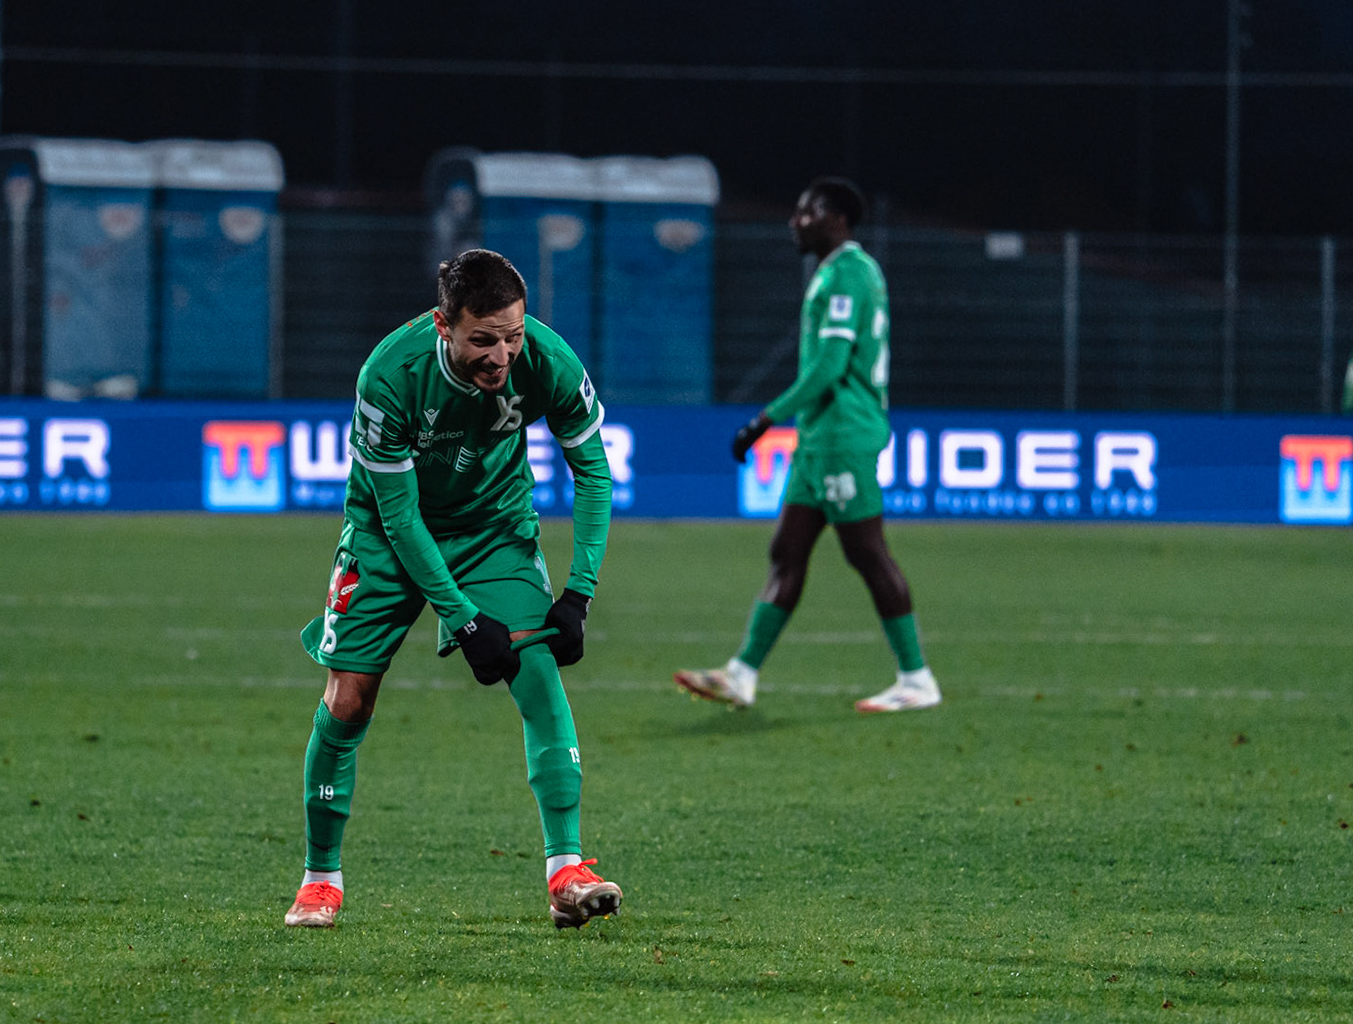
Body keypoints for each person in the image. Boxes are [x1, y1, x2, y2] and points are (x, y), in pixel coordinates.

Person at [284, 249, 622, 931]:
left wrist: (579, 593)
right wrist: (465, 621)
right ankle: (320, 879)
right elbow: (401, 519)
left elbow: (593, 471)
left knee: (537, 670)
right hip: (386, 535)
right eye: (483, 339)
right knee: (349, 699)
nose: (501, 355)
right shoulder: (390, 375)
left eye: (512, 336)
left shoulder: (548, 361)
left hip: (492, 525)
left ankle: (566, 871)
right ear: (444, 325)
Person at [675, 178, 937, 715]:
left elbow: (830, 367)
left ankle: (917, 679)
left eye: (807, 212)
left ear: (837, 219)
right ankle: (742, 675)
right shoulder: (838, 272)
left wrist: (764, 419)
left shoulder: (847, 274)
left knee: (866, 551)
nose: (795, 221)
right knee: (787, 551)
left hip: (843, 435)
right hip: (819, 439)